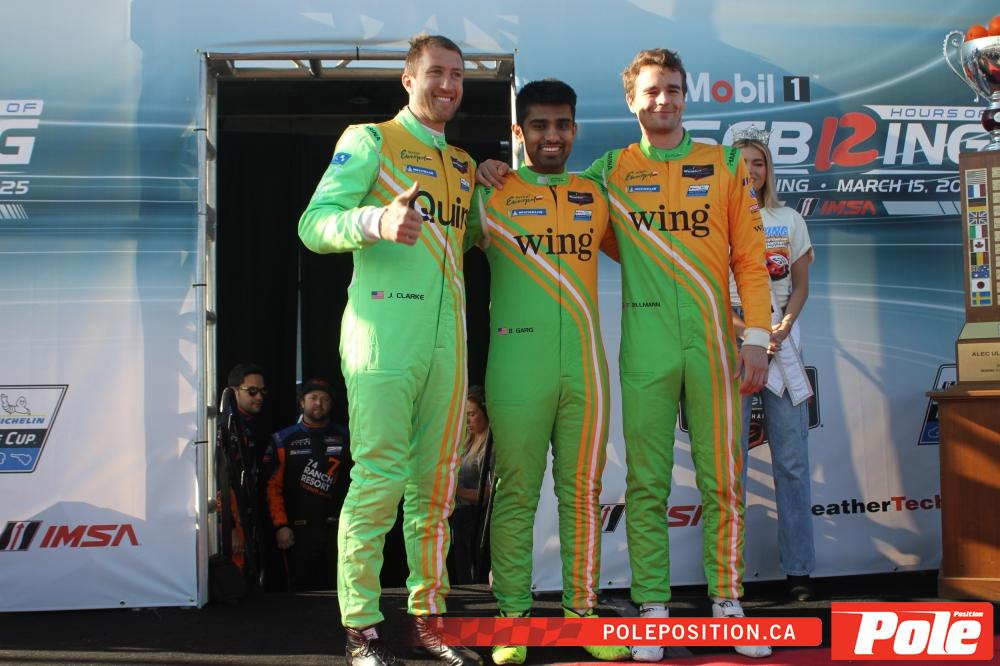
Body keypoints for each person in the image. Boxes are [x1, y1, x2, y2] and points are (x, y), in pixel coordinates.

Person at [479, 50, 773, 659]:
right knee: (645, 483)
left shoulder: (722, 163)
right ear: (632, 100)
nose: (663, 100)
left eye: (673, 89)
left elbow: (749, 258)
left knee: (724, 480)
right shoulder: (608, 174)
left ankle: (728, 602)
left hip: (715, 343)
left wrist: (756, 338)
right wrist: (492, 169)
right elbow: (573, 218)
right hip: (644, 346)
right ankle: (652, 606)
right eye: (652, 90)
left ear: (685, 96)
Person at [298, 33, 481, 666]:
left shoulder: (461, 164)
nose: (447, 85)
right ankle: (362, 628)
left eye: (457, 75)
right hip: (382, 336)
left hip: (447, 342)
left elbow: (474, 233)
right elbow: (313, 224)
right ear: (409, 79)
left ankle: (429, 620)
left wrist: (495, 178)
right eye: (436, 73)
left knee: (436, 485)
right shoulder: (371, 139)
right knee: (378, 480)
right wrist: (374, 221)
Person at [468, 79, 630, 664]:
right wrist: (476, 174)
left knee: (583, 493)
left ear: (575, 129)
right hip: (517, 367)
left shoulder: (595, 195)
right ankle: (512, 619)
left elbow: (651, 253)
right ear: (519, 132)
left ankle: (583, 614)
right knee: (516, 493)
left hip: (585, 368)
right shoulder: (490, 195)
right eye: (539, 125)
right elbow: (433, 249)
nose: (552, 136)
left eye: (562, 124)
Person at [731, 132, 816, 602]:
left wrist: (781, 327)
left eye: (759, 163)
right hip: (735, 340)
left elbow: (801, 285)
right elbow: (710, 288)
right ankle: (728, 575)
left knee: (792, 461)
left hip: (782, 343)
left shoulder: (789, 219)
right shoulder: (718, 217)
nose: (751, 171)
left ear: (768, 170)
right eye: (743, 162)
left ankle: (799, 570)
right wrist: (749, 332)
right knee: (731, 464)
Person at [267, 378, 352, 591]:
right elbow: (272, 488)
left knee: (340, 589)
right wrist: (280, 526)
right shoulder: (283, 440)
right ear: (302, 402)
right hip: (298, 531)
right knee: (301, 593)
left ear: (332, 404)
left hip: (340, 528)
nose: (319, 403)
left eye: (325, 399)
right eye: (313, 397)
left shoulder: (347, 436)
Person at [217, 363, 270, 589]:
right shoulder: (223, 426)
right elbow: (216, 481)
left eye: (262, 392)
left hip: (246, 515)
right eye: (252, 391)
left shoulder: (245, 424)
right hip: (229, 521)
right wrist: (228, 527)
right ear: (234, 391)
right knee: (234, 585)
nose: (259, 397)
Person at [451, 385, 493, 585]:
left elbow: (489, 494)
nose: (467, 420)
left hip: (477, 522)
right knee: (461, 573)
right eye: (465, 415)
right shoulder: (466, 442)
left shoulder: (490, 447)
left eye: (472, 414)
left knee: (473, 577)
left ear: (485, 413)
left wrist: (456, 491)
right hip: (459, 519)